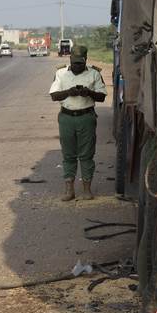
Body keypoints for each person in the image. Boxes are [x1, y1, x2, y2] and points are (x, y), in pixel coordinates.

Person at [48, 45, 106, 200]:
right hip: (66, 118)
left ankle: (87, 189)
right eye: (74, 63)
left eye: (80, 63)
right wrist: (69, 92)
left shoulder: (94, 74)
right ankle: (69, 190)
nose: (77, 66)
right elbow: (54, 96)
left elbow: (102, 96)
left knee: (87, 155)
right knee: (68, 155)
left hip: (86, 117)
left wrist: (89, 93)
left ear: (86, 60)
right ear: (70, 60)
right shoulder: (60, 73)